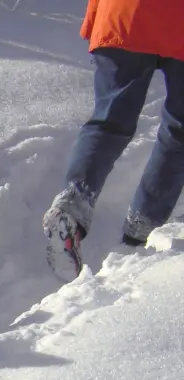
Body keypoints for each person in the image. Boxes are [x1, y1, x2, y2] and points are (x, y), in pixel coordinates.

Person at [42, 0, 184, 281]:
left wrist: (96, 19)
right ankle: (139, 235)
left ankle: (71, 205)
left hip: (122, 13)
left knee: (108, 122)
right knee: (180, 131)